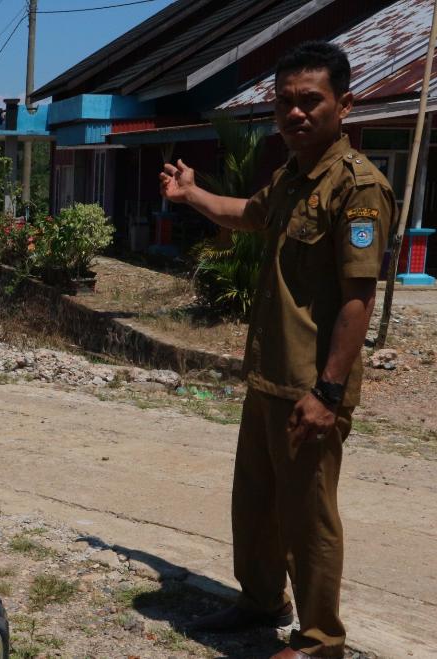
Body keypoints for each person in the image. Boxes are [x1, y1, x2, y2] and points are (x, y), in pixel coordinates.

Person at [160, 41, 394, 659]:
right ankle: (262, 601)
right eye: (284, 103)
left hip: (310, 383)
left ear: (343, 104)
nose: (294, 114)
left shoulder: (359, 187)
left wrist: (328, 390)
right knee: (256, 506)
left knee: (308, 517)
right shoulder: (293, 177)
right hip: (268, 375)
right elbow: (246, 214)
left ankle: (321, 641)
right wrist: (191, 195)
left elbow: (356, 300)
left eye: (309, 102)